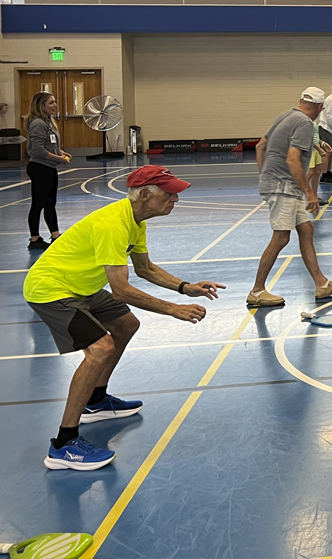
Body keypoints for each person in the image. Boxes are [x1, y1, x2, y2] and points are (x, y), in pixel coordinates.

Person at [24, 165, 225, 471]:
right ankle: (64, 445)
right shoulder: (112, 224)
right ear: (146, 194)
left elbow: (145, 268)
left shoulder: (135, 220)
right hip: (51, 289)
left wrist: (186, 288)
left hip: (82, 287)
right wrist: (173, 309)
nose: (175, 200)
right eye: (170, 194)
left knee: (126, 324)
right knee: (100, 349)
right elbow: (120, 290)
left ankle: (97, 399)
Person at [249, 87, 332, 307]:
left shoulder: (287, 115)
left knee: (306, 229)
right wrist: (309, 192)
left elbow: (260, 146)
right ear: (319, 106)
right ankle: (257, 291)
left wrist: (264, 175)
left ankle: (322, 284)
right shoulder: (305, 123)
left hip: (280, 183)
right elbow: (293, 160)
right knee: (281, 237)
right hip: (283, 187)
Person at [25, 92, 70, 251]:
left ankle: (55, 235)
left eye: (55, 102)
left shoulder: (49, 122)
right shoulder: (38, 123)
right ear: (41, 106)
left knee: (50, 203)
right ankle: (34, 239)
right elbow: (37, 150)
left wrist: (60, 152)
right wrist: (59, 159)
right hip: (39, 168)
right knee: (38, 204)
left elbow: (48, 145)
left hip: (49, 167)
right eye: (51, 103)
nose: (55, 105)